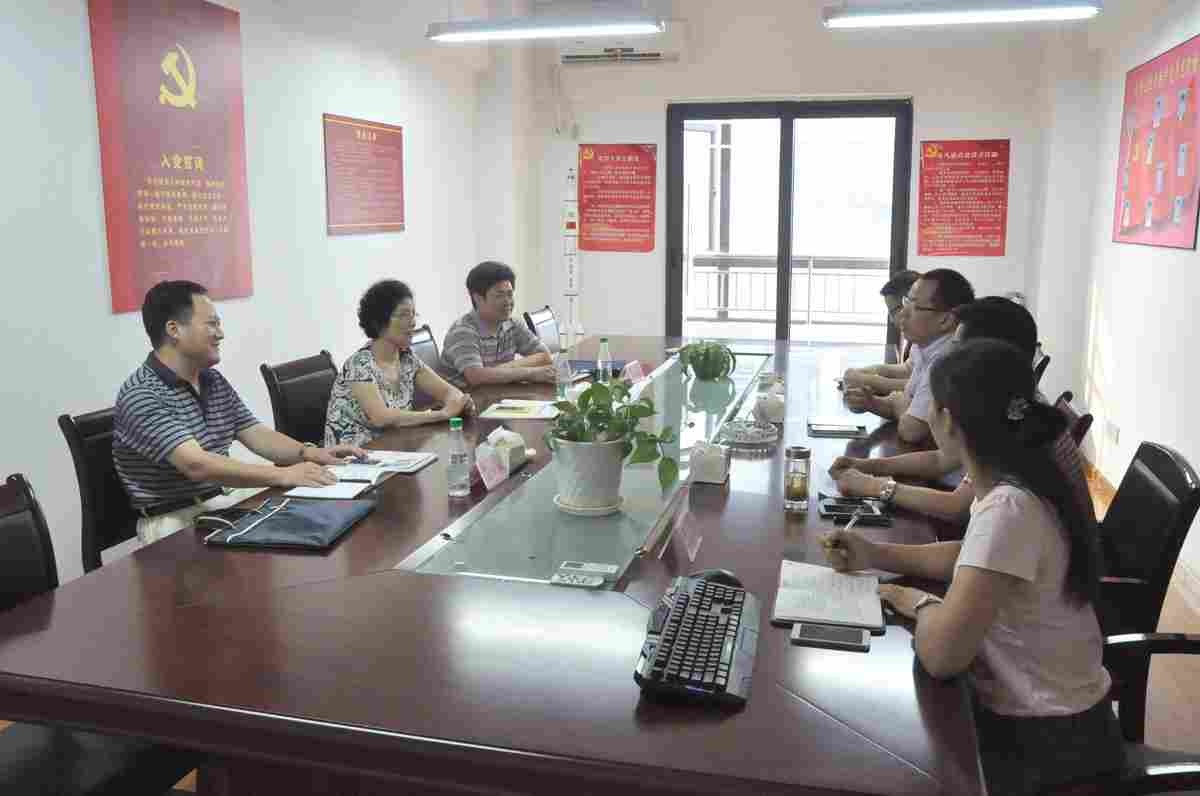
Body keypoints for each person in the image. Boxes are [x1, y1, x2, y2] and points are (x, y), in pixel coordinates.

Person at [823, 339, 1123, 795]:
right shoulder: (1017, 479)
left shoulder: (1009, 508)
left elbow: (943, 656)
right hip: (1059, 720)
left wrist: (917, 601)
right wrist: (874, 555)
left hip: (1047, 743)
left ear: (947, 420)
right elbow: (972, 557)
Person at [113, 281, 365, 544]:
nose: (220, 334)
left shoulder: (211, 379)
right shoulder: (143, 394)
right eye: (211, 324)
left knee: (327, 522)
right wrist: (283, 474)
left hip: (221, 502)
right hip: (175, 520)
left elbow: (257, 434)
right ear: (174, 330)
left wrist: (311, 453)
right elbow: (197, 465)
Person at [830, 297, 1095, 527]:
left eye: (956, 347)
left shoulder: (1013, 420)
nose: (948, 355)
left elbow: (956, 507)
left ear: (987, 355)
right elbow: (942, 460)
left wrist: (874, 486)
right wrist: (869, 466)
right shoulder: (1006, 402)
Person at [325, 280, 475, 447]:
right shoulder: (359, 365)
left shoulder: (406, 359)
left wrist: (460, 402)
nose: (412, 322)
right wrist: (442, 415)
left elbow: (448, 392)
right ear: (379, 321)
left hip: (393, 449)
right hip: (352, 455)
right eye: (403, 315)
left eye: (413, 314)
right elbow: (381, 417)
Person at [844, 268, 974, 444]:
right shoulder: (926, 347)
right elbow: (903, 405)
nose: (902, 314)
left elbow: (912, 430)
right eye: (906, 302)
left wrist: (898, 401)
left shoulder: (946, 359)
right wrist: (870, 402)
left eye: (915, 307)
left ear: (945, 320)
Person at [437, 261, 555, 389]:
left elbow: (545, 357)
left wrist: (499, 370)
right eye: (499, 295)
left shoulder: (513, 325)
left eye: (510, 294)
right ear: (478, 298)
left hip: (498, 395)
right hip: (466, 398)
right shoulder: (463, 331)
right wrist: (530, 373)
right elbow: (476, 377)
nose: (508, 302)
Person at [841, 269, 921, 396]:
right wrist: (873, 371)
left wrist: (868, 381)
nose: (892, 320)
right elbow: (908, 369)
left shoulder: (944, 346)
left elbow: (919, 387)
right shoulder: (920, 340)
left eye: (894, 311)